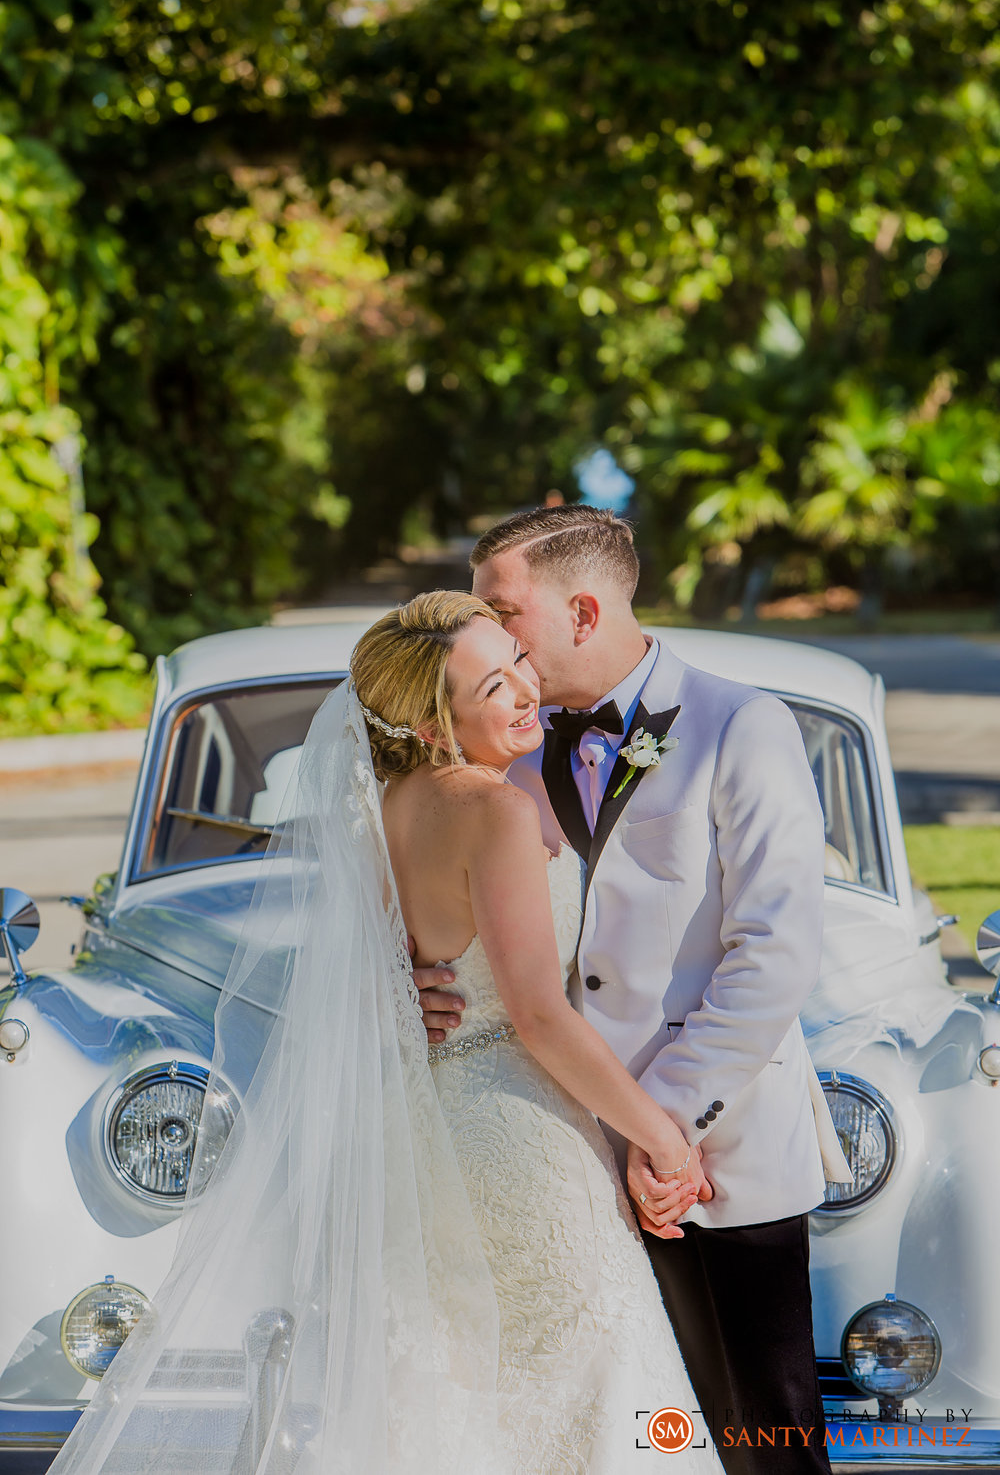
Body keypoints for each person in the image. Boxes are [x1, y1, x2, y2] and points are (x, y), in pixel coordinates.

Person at [49, 592, 721, 1475]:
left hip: (428, 1129)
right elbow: (540, 1016)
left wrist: (407, 993)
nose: (526, 689)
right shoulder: (499, 814)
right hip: (523, 1144)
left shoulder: (389, 809)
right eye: (494, 685)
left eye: (516, 661)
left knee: (466, 1403)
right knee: (586, 1383)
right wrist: (666, 1138)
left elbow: (380, 964)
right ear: (437, 725)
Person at [415, 506, 851, 1475]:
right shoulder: (502, 743)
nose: (486, 634)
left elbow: (773, 951)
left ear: (579, 611)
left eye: (502, 610)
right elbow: (456, 900)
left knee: (764, 1440)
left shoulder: (741, 726)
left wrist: (665, 1127)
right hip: (567, 1167)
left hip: (721, 1153)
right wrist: (421, 973)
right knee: (635, 1437)